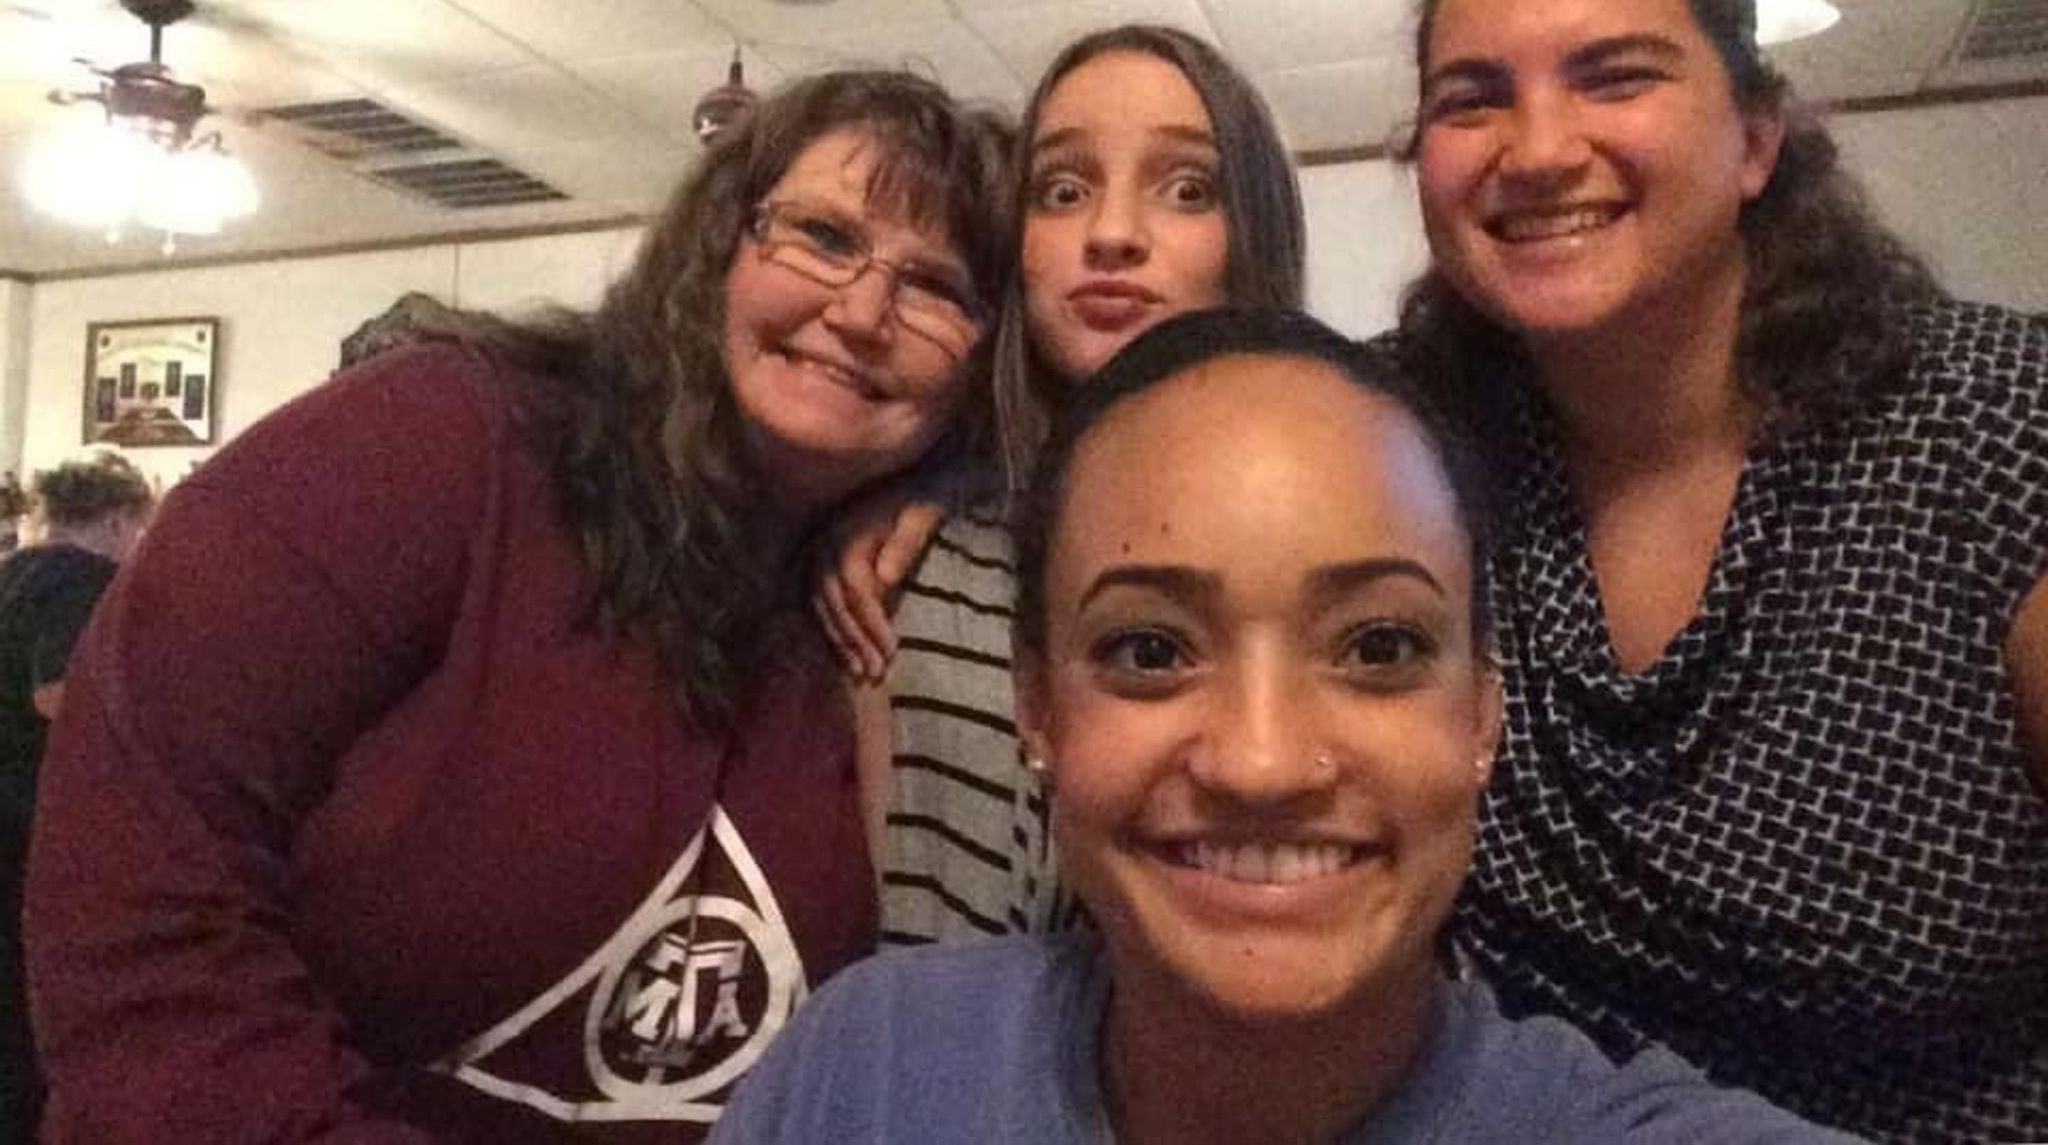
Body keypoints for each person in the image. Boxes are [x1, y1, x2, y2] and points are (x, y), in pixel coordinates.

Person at [23, 70, 1010, 1142]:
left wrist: (962, 490)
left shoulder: (906, 605)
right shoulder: (435, 442)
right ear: (718, 244)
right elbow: (140, 889)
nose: (861, 312)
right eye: (820, 236)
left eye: (935, 288)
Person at [714, 308, 1860, 1144]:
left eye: (1377, 647)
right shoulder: (864, 1071)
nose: (1260, 763)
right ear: (1038, 709)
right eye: (1149, 651)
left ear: (1482, 712)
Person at [1394, 0, 2048, 1139]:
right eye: (1472, 98)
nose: (1536, 150)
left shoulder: (1995, 428)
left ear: (1752, 137)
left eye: (1614, 76)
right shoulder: (1398, 444)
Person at [814, 24, 1307, 945]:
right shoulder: (920, 564)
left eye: (1187, 189)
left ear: (1253, 233)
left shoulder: (1331, 551)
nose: (1112, 235)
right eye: (1064, 191)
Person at [0, 453, 152, 1144]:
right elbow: (56, 694)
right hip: (29, 812)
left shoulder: (17, 572)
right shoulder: (84, 581)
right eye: (141, 528)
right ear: (117, 520)